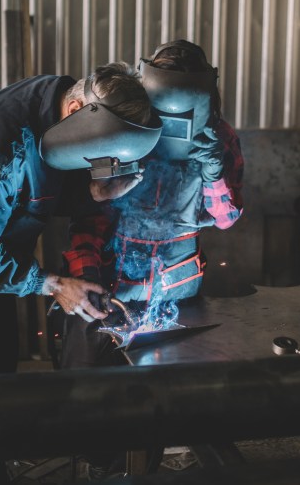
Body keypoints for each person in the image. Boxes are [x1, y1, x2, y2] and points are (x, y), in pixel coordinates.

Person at [0, 62, 161, 485]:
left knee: (0, 361)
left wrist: (94, 193)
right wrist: (51, 284)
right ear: (78, 107)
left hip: (2, 236)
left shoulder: (63, 108)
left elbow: (45, 182)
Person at [60, 40, 244, 370]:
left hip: (177, 296)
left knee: (169, 398)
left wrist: (214, 173)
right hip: (108, 291)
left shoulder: (218, 138)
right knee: (85, 391)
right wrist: (85, 282)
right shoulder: (123, 125)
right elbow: (88, 213)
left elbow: (226, 219)